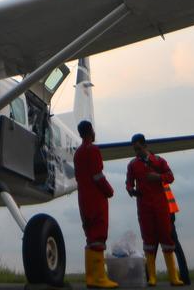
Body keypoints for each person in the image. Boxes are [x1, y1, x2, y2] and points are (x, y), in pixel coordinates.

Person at [126, 134, 184, 287]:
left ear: (145, 146)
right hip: (144, 207)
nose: (136, 152)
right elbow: (129, 182)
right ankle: (152, 277)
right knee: (149, 240)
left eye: (138, 148)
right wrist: (131, 190)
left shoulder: (159, 161)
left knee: (167, 238)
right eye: (134, 149)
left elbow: (170, 176)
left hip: (160, 206)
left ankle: (174, 276)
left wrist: (158, 177)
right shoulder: (132, 165)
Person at [73, 120, 118, 288]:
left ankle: (90, 278)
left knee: (90, 236)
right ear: (91, 131)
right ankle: (100, 278)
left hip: (83, 199)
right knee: (99, 235)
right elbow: (97, 176)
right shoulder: (93, 150)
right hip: (96, 198)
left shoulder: (77, 153)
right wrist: (109, 191)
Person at [164, 183, 190, 285]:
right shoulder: (162, 177)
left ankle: (148, 277)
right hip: (169, 214)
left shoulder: (155, 178)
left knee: (152, 247)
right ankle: (185, 277)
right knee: (176, 247)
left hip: (163, 215)